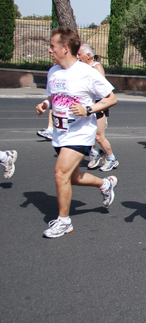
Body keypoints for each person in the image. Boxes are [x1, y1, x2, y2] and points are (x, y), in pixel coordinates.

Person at [35, 26, 118, 238]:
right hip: (60, 133)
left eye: (53, 46)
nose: (49, 50)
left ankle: (64, 221)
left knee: (60, 173)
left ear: (65, 48)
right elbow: (54, 96)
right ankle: (105, 183)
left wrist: (87, 109)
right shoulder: (53, 72)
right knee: (72, 178)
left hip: (80, 133)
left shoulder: (86, 73)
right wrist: (46, 103)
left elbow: (111, 98)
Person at [78, 43, 120, 171]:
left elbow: (104, 91)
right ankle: (95, 153)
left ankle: (111, 158)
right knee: (84, 133)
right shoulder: (82, 68)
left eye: (79, 54)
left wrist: (98, 107)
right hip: (86, 106)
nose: (77, 57)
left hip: (98, 107)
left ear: (88, 55)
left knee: (98, 136)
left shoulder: (96, 68)